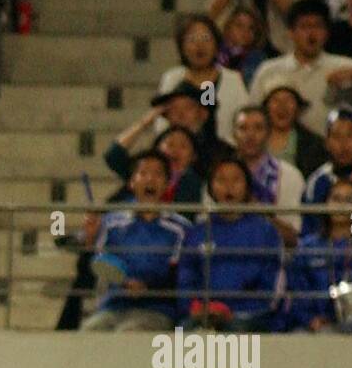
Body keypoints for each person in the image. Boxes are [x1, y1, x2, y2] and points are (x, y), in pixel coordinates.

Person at [82, 151, 190, 332]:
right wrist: (90, 241)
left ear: (167, 184)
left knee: (129, 333)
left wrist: (147, 287)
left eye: (157, 174)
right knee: (88, 332)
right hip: (113, 306)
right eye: (143, 173)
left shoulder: (180, 229)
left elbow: (179, 276)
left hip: (157, 310)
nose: (150, 179)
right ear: (132, 182)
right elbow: (98, 266)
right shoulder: (110, 223)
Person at [178, 156, 285, 330]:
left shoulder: (266, 231)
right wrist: (198, 308)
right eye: (221, 180)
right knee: (182, 335)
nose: (229, 186)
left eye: (236, 180)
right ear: (211, 187)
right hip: (203, 315)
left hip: (250, 317)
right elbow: (186, 280)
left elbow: (272, 286)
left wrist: (232, 312)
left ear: (247, 186)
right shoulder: (198, 233)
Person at [249, 0, 352, 138]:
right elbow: (252, 114)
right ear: (291, 33)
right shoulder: (269, 69)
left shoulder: (348, 67)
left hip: (335, 151)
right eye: (304, 27)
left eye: (318, 26)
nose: (311, 34)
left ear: (327, 32)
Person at [289, 177, 352, 332]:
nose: (342, 204)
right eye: (336, 198)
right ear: (325, 204)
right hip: (316, 327)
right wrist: (310, 319)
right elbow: (297, 291)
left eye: (349, 199)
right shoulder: (308, 246)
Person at [156, 14, 250, 145]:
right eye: (192, 39)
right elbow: (162, 124)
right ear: (181, 47)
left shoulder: (232, 80)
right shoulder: (173, 78)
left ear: (216, 45)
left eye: (206, 38)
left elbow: (245, 123)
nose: (199, 45)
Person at [300, 108, 352, 238]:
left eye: (350, 136)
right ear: (326, 142)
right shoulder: (317, 181)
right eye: (336, 136)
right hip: (322, 250)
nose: (343, 145)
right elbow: (311, 227)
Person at [233, 103, 305, 243]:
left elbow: (295, 237)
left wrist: (260, 214)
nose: (250, 135)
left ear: (269, 133)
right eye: (243, 128)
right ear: (233, 134)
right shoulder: (220, 175)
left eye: (258, 128)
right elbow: (208, 228)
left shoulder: (290, 175)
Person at [105, 116, 205, 206]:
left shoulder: (194, 182)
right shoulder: (141, 170)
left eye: (183, 146)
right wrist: (145, 122)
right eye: (170, 144)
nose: (175, 150)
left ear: (193, 156)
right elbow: (114, 154)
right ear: (157, 148)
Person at [262, 82, 328, 175]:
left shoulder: (314, 144)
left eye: (288, 100)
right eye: (276, 100)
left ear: (298, 107)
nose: (282, 106)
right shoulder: (254, 140)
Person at [217, 3, 268, 87]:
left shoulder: (258, 58)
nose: (245, 31)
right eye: (239, 26)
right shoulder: (215, 52)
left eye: (251, 28)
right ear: (228, 27)